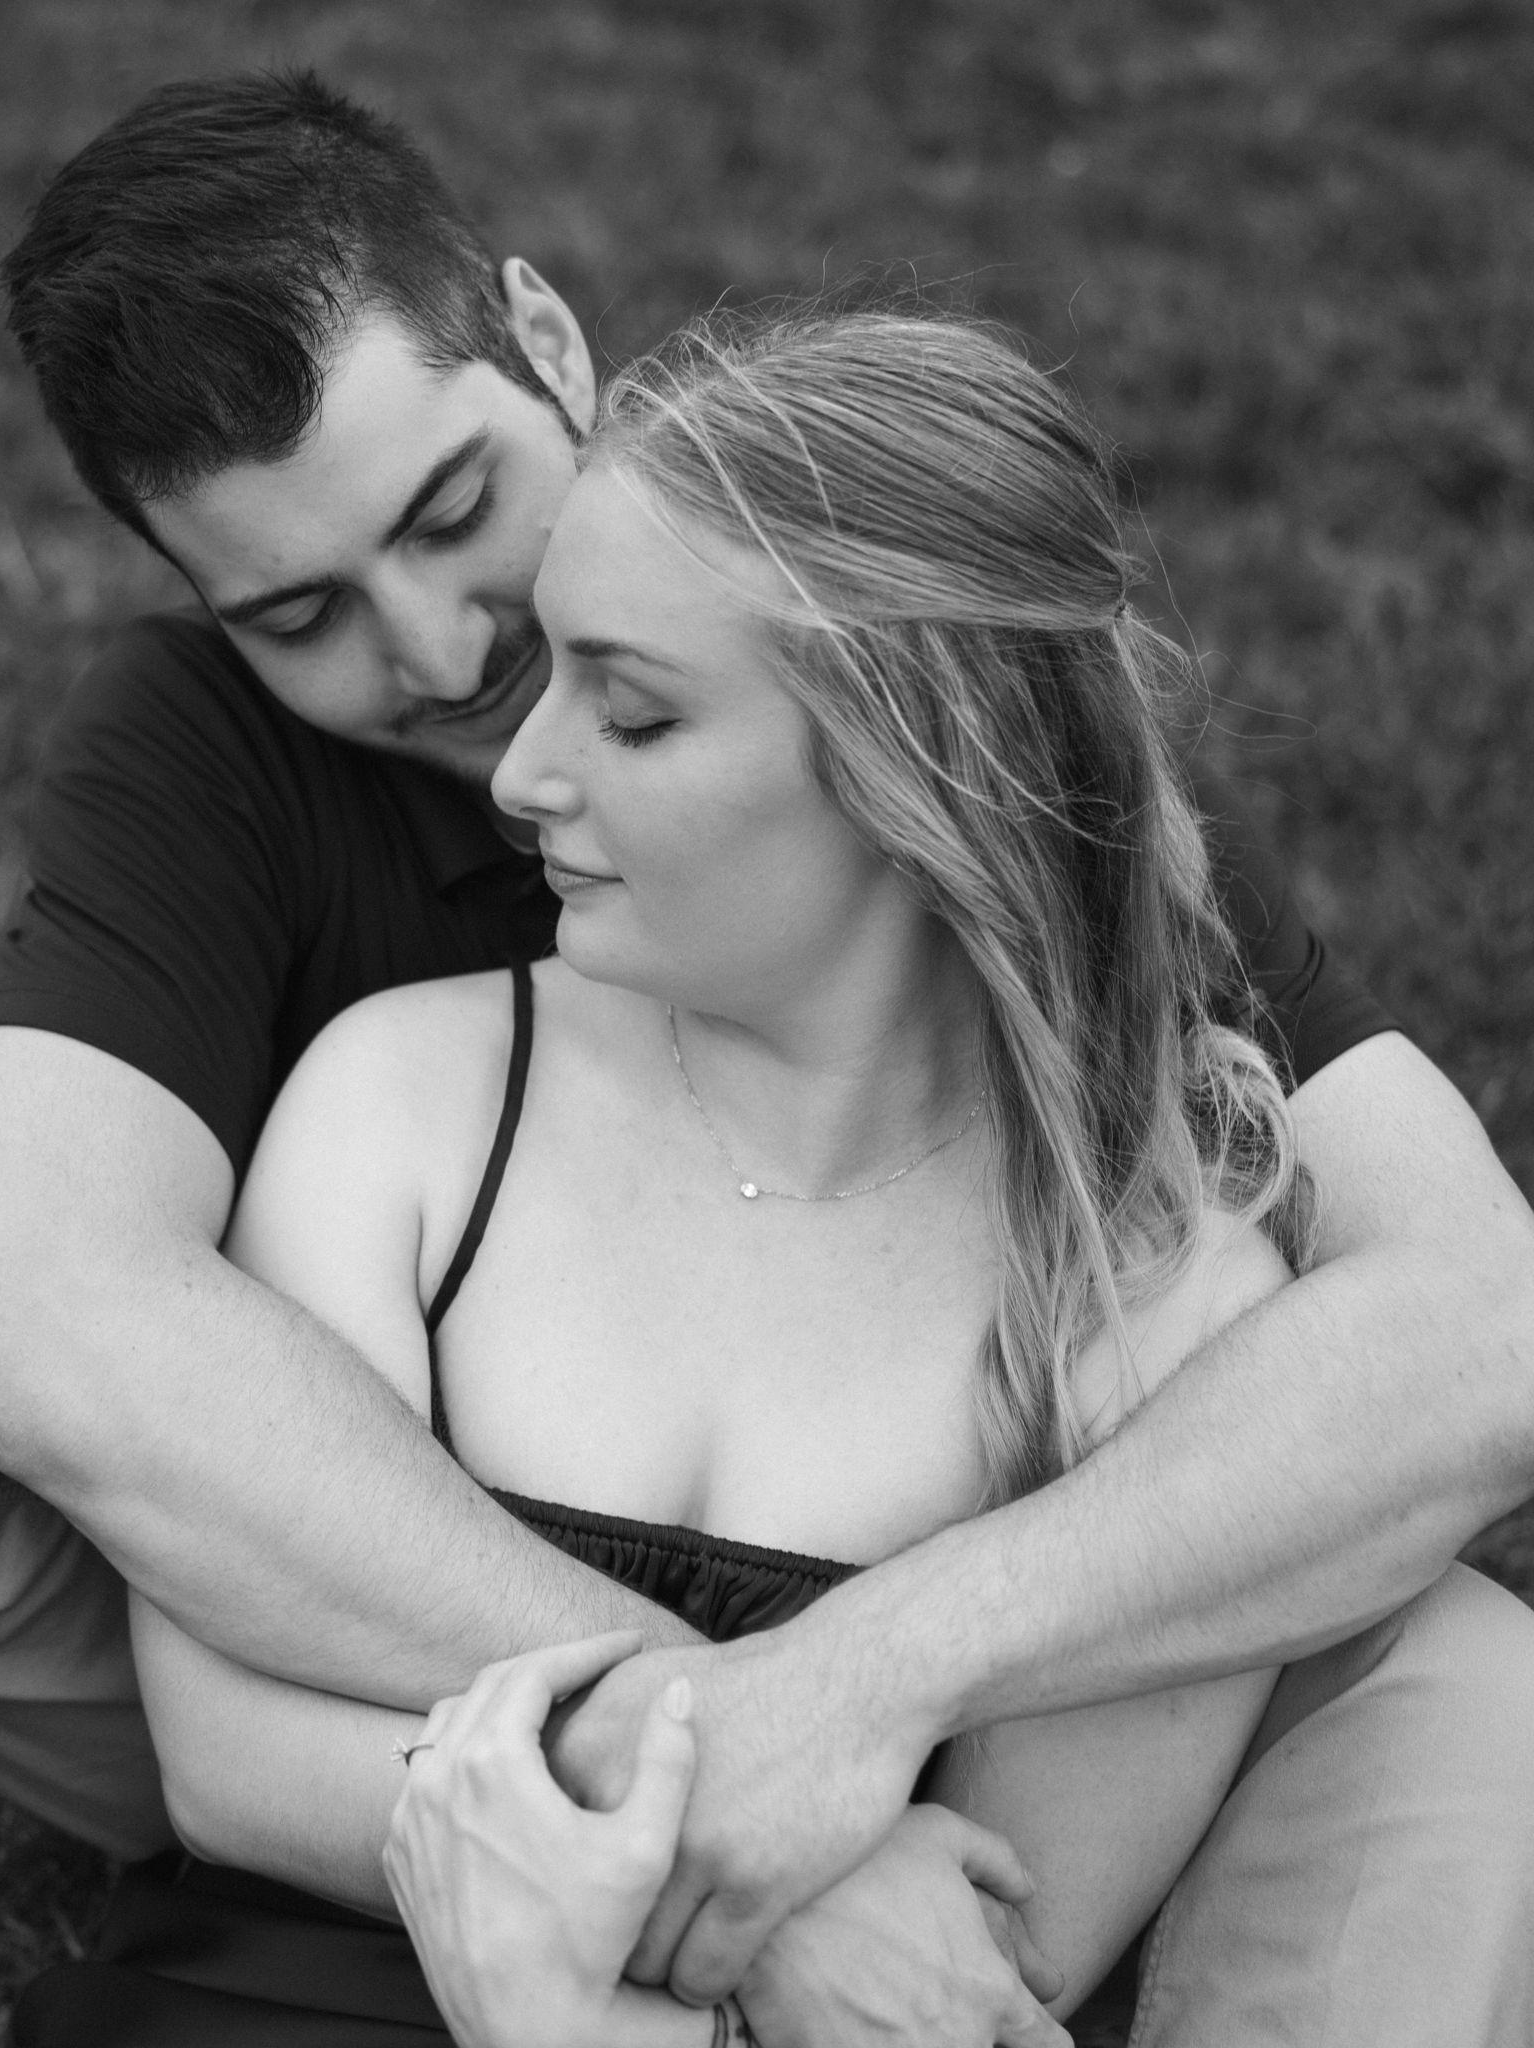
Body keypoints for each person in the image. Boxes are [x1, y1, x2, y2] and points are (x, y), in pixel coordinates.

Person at [0, 70, 1529, 2048]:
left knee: (1448, 1660)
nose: (445, 656)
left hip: (924, 1703)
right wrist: (722, 1764)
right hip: (301, 1631)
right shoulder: (237, 810)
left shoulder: (954, 717)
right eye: (297, 611)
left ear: (545, 340)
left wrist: (873, 1681)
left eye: (454, 511)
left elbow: (1478, 1327)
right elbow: (60, 1324)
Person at [101, 306, 1532, 2047]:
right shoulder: (409, 1097)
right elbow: (226, 1757)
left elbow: (977, 1979)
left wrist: (571, 2003)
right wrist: (708, 1865)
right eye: (552, 676)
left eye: (631, 715)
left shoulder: (1157, 1296)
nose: (523, 771)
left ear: (908, 777)